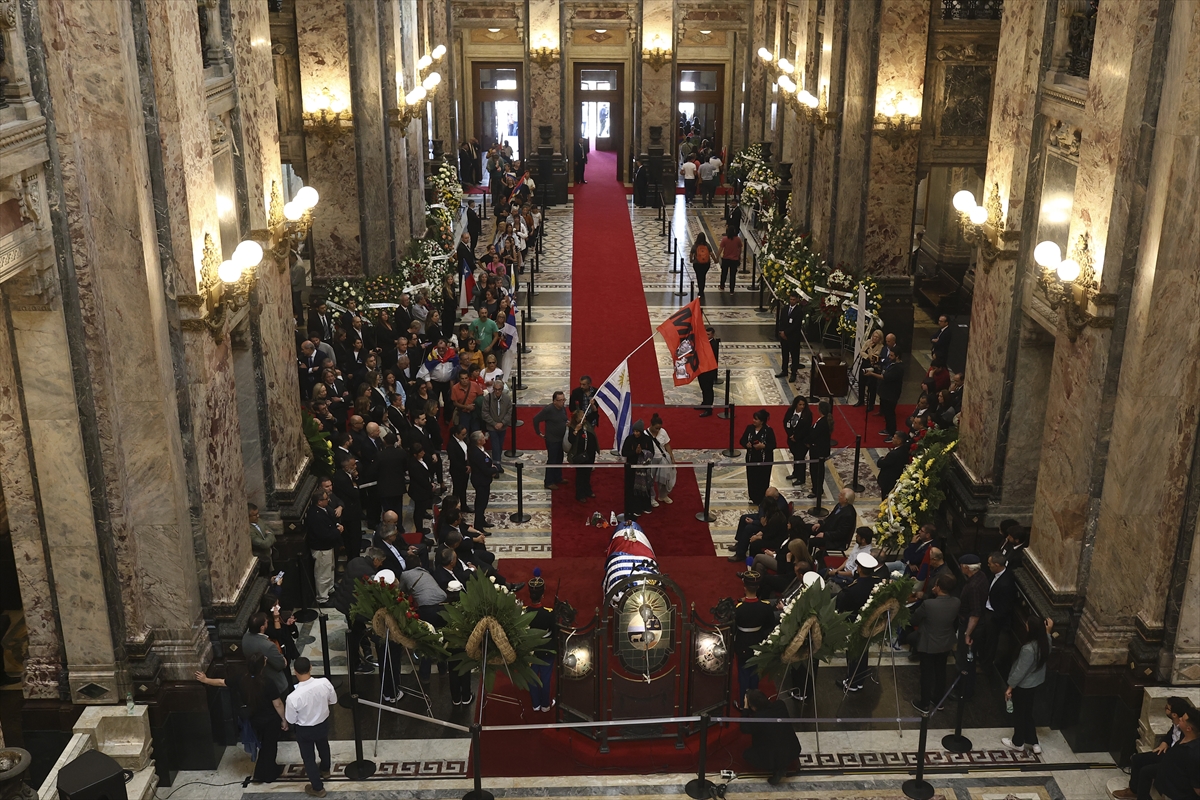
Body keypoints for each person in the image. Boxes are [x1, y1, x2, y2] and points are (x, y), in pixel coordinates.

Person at [195, 654, 287, 784]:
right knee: (270, 746)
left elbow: (221, 682)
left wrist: (205, 680)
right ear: (263, 665)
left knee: (264, 745)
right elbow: (277, 704)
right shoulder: (268, 682)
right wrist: (284, 719)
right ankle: (266, 774)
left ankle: (264, 770)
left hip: (254, 718)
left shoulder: (241, 679)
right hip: (270, 720)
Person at [1113, 698, 1199, 800]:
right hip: (1168, 759)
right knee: (1137, 759)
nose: (1180, 719)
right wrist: (1165, 742)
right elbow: (1171, 734)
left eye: (1183, 719)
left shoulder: (1192, 751)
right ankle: (1133, 790)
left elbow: (1194, 782)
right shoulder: (1181, 730)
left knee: (1146, 771)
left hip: (1174, 779)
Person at [285, 656, 338, 798]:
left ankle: (318, 788)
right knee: (323, 746)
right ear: (310, 668)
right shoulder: (324, 683)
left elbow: (291, 719)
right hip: (323, 723)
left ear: (295, 671)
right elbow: (333, 700)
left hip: (305, 730)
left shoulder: (293, 697)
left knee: (308, 758)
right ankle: (325, 770)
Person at [1002, 613, 1052, 755]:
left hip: (1023, 686)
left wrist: (1010, 687)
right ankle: (1034, 742)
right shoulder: (1045, 642)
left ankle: (1018, 743)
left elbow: (1020, 671)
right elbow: (1047, 638)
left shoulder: (1028, 649)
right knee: (1027, 713)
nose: (1026, 625)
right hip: (1035, 683)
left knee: (1020, 714)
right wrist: (1048, 631)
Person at [909, 573, 960, 713]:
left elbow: (914, 620)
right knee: (941, 671)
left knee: (926, 674)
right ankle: (938, 701)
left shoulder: (929, 604)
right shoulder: (956, 602)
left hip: (928, 643)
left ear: (938, 587)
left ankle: (924, 704)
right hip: (945, 643)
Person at [837, 553, 880, 692]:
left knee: (853, 652)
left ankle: (852, 682)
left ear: (859, 569)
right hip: (871, 622)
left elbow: (842, 608)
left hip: (854, 622)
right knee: (863, 651)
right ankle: (859, 680)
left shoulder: (853, 588)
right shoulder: (877, 582)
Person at [740, 689, 801, 785]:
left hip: (774, 758)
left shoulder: (759, 719)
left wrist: (745, 708)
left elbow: (744, 728)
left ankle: (777, 768)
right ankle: (782, 764)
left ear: (753, 707)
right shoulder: (780, 705)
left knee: (747, 754)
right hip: (793, 750)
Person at [733, 572, 773, 699]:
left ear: (744, 587)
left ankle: (743, 702)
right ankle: (754, 701)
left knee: (743, 673)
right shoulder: (765, 607)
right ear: (758, 587)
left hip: (742, 644)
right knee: (755, 672)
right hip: (758, 643)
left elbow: (733, 628)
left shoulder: (739, 608)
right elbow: (770, 625)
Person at [976, 551, 1016, 670]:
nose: (988, 565)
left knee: (990, 641)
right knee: (982, 637)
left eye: (990, 564)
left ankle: (986, 665)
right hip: (987, 610)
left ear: (997, 565)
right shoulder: (994, 574)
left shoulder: (1006, 583)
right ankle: (981, 657)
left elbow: (1006, 605)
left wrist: (994, 617)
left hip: (994, 615)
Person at [305, 490, 342, 607]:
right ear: (319, 502)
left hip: (328, 547)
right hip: (321, 549)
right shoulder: (315, 516)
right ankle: (322, 598)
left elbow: (330, 522)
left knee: (330, 569)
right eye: (326, 499)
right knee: (322, 574)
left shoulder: (323, 509)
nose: (328, 500)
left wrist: (336, 526)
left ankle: (330, 589)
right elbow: (324, 535)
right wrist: (338, 531)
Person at [526, 570, 557, 712]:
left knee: (532, 677)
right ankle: (545, 705)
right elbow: (555, 632)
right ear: (542, 594)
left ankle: (535, 704)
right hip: (546, 649)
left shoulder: (524, 612)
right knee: (545, 678)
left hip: (530, 650)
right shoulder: (549, 613)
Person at [241, 612, 290, 695]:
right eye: (266, 622)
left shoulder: (245, 637)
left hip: (257, 683)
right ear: (262, 627)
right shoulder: (268, 646)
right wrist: (283, 659)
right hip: (275, 684)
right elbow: (281, 664)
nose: (267, 622)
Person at [740, 409, 777, 505]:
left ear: (762, 421)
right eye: (754, 418)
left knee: (763, 479)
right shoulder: (749, 428)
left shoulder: (768, 430)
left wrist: (763, 446)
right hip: (751, 458)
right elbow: (742, 440)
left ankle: (762, 498)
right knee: (752, 478)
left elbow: (773, 445)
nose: (754, 421)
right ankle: (752, 497)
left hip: (764, 460)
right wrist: (746, 444)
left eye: (756, 419)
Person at [534, 391, 570, 489]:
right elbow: (536, 419)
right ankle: (549, 482)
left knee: (559, 459)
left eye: (564, 400)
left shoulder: (562, 408)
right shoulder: (548, 410)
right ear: (554, 401)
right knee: (552, 460)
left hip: (561, 439)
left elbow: (564, 419)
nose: (563, 402)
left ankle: (558, 477)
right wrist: (538, 432)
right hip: (552, 440)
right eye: (560, 400)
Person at [867, 349, 905, 438]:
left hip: (891, 394)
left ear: (897, 356)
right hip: (885, 392)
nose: (889, 357)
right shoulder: (891, 364)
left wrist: (871, 374)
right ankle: (888, 429)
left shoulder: (898, 368)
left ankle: (892, 433)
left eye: (891, 355)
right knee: (886, 413)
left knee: (890, 414)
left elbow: (885, 377)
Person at [621, 420, 654, 518]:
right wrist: (635, 453)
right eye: (634, 431)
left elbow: (652, 452)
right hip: (632, 468)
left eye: (637, 431)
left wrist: (643, 453)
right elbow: (624, 452)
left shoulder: (647, 440)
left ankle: (646, 506)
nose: (635, 433)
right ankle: (635, 508)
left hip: (644, 469)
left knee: (645, 487)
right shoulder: (629, 439)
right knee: (633, 489)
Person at [567, 409, 599, 502]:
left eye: (584, 415)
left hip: (590, 453)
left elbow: (594, 414)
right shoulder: (573, 427)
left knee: (588, 473)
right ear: (577, 419)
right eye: (581, 416)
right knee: (581, 475)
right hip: (580, 455)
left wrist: (593, 406)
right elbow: (571, 440)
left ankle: (587, 490)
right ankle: (580, 494)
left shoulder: (587, 423)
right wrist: (576, 430)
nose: (584, 417)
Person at [468, 431, 498, 529]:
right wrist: (494, 469)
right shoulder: (477, 453)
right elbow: (485, 470)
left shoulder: (479, 449)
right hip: (481, 481)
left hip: (483, 480)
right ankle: (478, 526)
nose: (485, 438)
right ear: (478, 441)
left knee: (482, 503)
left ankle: (482, 520)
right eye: (482, 437)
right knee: (480, 504)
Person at [481, 378, 512, 469]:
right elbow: (484, 413)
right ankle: (497, 466)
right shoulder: (488, 398)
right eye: (495, 389)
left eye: (499, 389)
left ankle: (497, 462)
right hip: (492, 427)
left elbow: (509, 412)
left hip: (503, 426)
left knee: (500, 445)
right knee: (495, 446)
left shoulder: (507, 399)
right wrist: (494, 423)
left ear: (502, 389)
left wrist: (502, 423)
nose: (497, 391)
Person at [647, 413, 676, 506]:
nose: (658, 430)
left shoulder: (663, 432)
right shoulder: (645, 434)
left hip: (663, 458)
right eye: (656, 428)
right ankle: (651, 498)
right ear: (651, 425)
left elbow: (667, 445)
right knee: (650, 479)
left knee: (665, 478)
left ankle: (663, 495)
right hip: (651, 460)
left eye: (659, 428)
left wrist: (671, 457)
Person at [775, 291, 804, 382]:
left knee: (794, 356)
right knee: (785, 354)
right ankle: (784, 370)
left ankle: (793, 373)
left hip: (793, 338)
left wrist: (786, 333)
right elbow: (781, 321)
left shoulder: (799, 311)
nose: (792, 301)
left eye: (793, 300)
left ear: (797, 300)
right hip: (784, 337)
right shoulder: (785, 308)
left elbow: (796, 325)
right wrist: (781, 332)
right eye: (791, 299)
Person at [783, 396, 811, 486]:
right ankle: (795, 473)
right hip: (791, 440)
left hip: (802, 441)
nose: (802, 406)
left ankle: (801, 478)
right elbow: (785, 422)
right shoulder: (790, 411)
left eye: (803, 404)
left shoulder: (807, 414)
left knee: (800, 458)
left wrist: (796, 437)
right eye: (800, 404)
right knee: (796, 456)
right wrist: (790, 434)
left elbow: (806, 429)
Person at [876, 432, 911, 498]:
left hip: (888, 480)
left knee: (885, 496)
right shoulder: (905, 449)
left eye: (894, 438)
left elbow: (881, 464)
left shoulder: (893, 454)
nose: (892, 439)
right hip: (896, 477)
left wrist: (881, 459)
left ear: (899, 441)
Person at [855, 329, 884, 409]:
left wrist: (870, 349)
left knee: (872, 386)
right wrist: (867, 356)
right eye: (874, 336)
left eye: (877, 337)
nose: (874, 338)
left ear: (880, 339)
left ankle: (871, 404)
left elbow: (873, 358)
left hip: (873, 367)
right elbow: (861, 352)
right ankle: (860, 400)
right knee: (861, 382)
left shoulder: (880, 347)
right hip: (864, 364)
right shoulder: (868, 342)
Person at [697, 327, 720, 415]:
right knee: (703, 388)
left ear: (712, 335)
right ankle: (704, 404)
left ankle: (708, 409)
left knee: (708, 390)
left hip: (709, 371)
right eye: (705, 334)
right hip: (702, 370)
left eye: (708, 334)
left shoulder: (713, 344)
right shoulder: (704, 342)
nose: (706, 336)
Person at [248, 503, 276, 573]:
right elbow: (264, 544)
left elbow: (272, 532)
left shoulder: (259, 521)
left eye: (258, 513)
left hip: (270, 555)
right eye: (254, 515)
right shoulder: (249, 530)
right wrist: (269, 535)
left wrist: (269, 535)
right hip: (262, 562)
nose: (258, 516)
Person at [690, 233, 713, 301]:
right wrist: (715, 260)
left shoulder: (695, 245)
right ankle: (702, 290)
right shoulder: (707, 245)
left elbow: (691, 253)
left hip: (697, 264)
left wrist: (691, 260)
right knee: (703, 276)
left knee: (699, 276)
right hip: (706, 264)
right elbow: (711, 253)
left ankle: (700, 290)